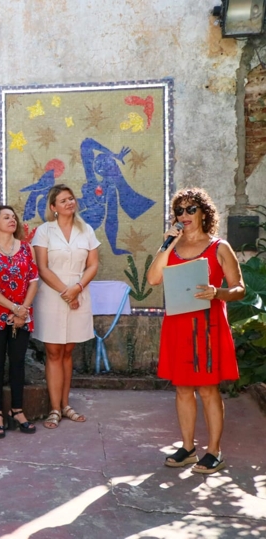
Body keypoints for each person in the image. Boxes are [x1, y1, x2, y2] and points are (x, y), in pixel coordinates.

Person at [146, 188, 244, 474]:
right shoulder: (171, 247)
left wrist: (218, 293)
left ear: (204, 213)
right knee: (183, 388)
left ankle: (214, 451)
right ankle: (188, 448)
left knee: (208, 389)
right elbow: (153, 279)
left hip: (208, 325)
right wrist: (166, 245)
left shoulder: (219, 247)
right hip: (177, 325)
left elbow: (239, 289)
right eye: (179, 210)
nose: (184, 215)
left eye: (191, 209)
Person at [31, 184, 99, 429]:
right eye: (63, 200)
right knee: (53, 352)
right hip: (52, 296)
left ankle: (66, 404)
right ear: (53, 207)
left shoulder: (86, 229)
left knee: (68, 352)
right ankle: (54, 409)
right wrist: (66, 292)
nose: (69, 203)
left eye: (71, 198)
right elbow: (42, 268)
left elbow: (93, 264)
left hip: (78, 294)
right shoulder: (44, 231)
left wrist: (77, 288)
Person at [0, 205, 39, 438]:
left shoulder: (26, 248)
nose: (12, 220)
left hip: (22, 315)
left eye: (13, 217)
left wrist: (23, 310)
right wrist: (13, 307)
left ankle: (17, 410)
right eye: (6, 217)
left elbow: (33, 280)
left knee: (18, 363)